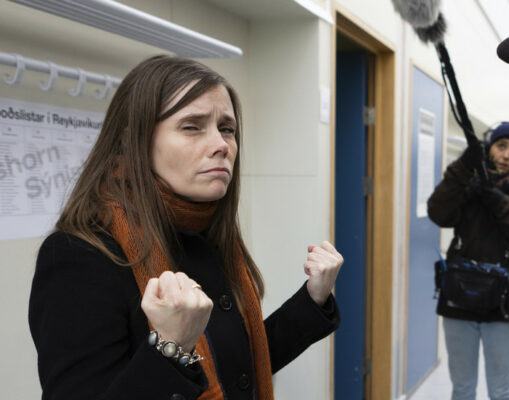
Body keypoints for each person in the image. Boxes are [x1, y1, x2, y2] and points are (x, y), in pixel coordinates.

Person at [28, 55, 343, 400]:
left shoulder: (204, 235)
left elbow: (237, 370)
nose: (221, 145)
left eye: (227, 129)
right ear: (134, 142)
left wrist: (313, 299)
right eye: (192, 127)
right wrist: (171, 347)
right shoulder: (79, 255)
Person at [427, 121, 509, 400]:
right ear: (488, 148)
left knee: (500, 391)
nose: (506, 155)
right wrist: (462, 168)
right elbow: (438, 212)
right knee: (462, 390)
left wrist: (500, 202)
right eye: (501, 146)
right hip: (459, 302)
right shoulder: (467, 188)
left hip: (504, 306)